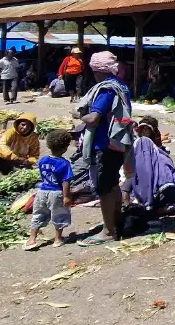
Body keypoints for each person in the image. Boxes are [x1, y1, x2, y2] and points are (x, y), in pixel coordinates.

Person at [75, 51, 134, 247]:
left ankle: (108, 231)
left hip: (105, 144)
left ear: (98, 71)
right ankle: (115, 222)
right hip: (116, 144)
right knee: (113, 184)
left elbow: (94, 118)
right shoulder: (121, 85)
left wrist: (78, 116)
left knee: (105, 188)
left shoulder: (106, 90)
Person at [24, 129, 73, 250]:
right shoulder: (64, 163)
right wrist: (66, 196)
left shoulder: (43, 160)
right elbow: (65, 181)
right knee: (59, 215)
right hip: (56, 193)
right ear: (65, 148)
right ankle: (58, 239)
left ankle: (32, 239)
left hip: (42, 191)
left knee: (38, 214)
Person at [123, 133, 175, 216]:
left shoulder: (136, 163)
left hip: (144, 204)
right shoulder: (163, 159)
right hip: (166, 201)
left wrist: (127, 206)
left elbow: (125, 190)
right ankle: (166, 209)